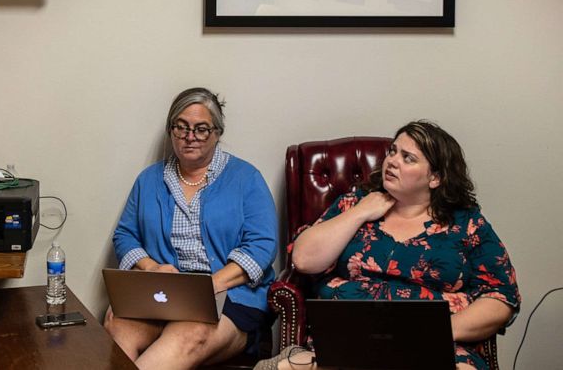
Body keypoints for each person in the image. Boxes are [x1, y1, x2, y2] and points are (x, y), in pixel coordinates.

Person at [255, 121, 520, 370]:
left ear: (435, 178)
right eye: (393, 151)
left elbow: (501, 296)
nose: (392, 161)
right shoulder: (355, 202)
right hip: (349, 340)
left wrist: (435, 330)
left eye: (408, 158)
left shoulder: (466, 224)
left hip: (435, 343)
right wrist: (360, 212)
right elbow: (304, 260)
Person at [106, 88, 278, 369]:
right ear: (170, 130)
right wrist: (152, 270)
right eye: (181, 127)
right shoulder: (148, 180)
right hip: (164, 293)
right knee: (117, 321)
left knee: (189, 333)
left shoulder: (246, 178)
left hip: (229, 295)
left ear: (217, 132)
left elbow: (262, 246)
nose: (189, 137)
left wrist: (212, 284)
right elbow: (125, 235)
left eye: (201, 129)